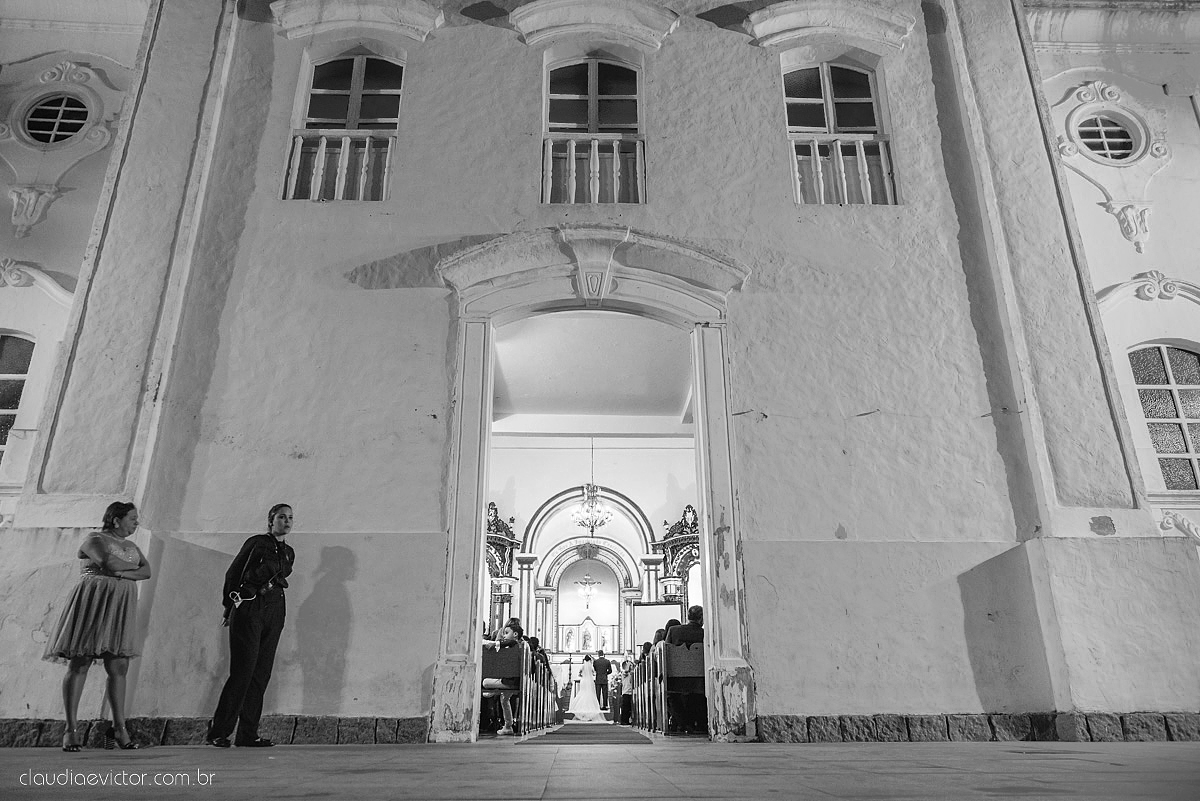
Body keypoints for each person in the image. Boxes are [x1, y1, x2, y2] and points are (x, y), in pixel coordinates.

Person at [44, 502, 151, 751]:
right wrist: (128, 568)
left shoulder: (132, 546)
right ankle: (70, 730)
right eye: (132, 518)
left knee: (119, 664)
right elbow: (108, 564)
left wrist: (123, 573)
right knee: (80, 661)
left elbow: (146, 571)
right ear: (116, 519)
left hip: (120, 605)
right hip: (94, 602)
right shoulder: (95, 538)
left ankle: (119, 728)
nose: (136, 523)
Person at [206, 503, 296, 748]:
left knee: (261, 673)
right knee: (243, 671)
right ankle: (219, 732)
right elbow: (234, 573)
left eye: (290, 518)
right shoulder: (257, 543)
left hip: (275, 609)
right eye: (281, 517)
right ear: (270, 520)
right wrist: (229, 604)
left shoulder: (288, 552)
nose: (286, 521)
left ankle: (248, 734)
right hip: (250, 607)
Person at [665, 605, 706, 734]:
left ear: (688, 617)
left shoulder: (673, 631)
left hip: (676, 679)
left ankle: (683, 723)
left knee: (672, 695)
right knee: (698, 696)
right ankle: (699, 723)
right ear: (701, 619)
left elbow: (666, 653)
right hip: (700, 679)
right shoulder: (705, 633)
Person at [482, 621, 522, 735]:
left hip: (510, 681)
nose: (504, 635)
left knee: (485, 682)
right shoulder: (521, 646)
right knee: (504, 700)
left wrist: (495, 643)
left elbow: (509, 641)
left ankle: (493, 693)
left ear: (515, 634)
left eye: (506, 633)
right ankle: (508, 726)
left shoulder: (514, 644)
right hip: (513, 680)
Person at [565, 655, 607, 722]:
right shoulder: (591, 667)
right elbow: (594, 674)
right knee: (590, 693)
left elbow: (579, 674)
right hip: (590, 681)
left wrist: (582, 675)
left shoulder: (582, 666)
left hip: (584, 681)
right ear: (590, 660)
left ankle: (581, 710)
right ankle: (591, 710)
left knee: (583, 692)